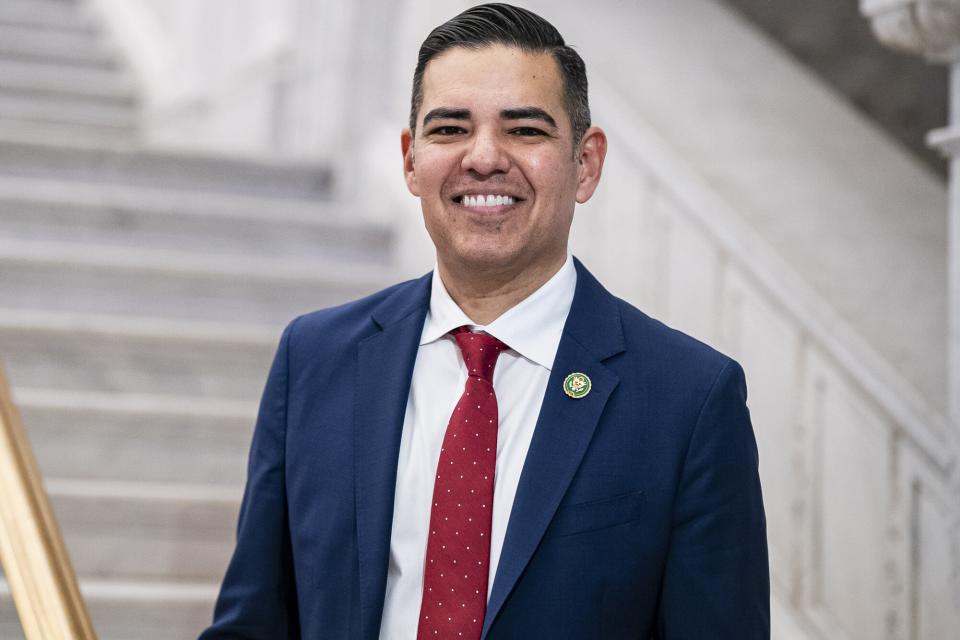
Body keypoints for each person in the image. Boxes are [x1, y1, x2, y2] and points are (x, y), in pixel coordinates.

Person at [199, 4, 769, 639]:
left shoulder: (687, 399)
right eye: (449, 129)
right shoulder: (315, 358)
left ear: (586, 163)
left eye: (525, 129)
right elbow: (254, 624)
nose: (484, 157)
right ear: (412, 160)